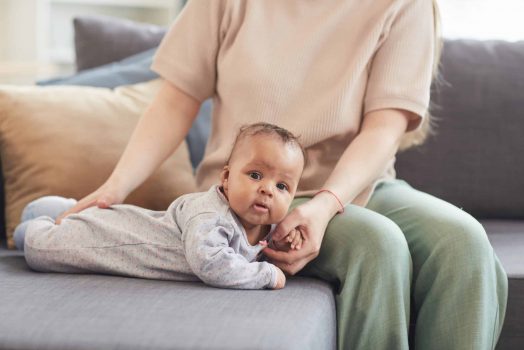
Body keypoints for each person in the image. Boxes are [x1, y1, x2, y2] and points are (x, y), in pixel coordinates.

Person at [49, 0, 508, 349]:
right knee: (378, 244)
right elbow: (176, 100)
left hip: (358, 185)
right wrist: (115, 187)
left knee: (465, 243)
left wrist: (326, 205)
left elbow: (384, 127)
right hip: (249, 201)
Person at [14, 123, 307, 290]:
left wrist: (284, 239)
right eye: (255, 175)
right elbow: (211, 264)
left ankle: (60, 210)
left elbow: (255, 248)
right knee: (39, 249)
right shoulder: (211, 217)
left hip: (124, 221)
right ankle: (34, 224)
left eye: (282, 186)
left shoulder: (262, 225)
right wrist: (266, 275)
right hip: (109, 242)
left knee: (85, 217)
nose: (267, 189)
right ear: (227, 178)